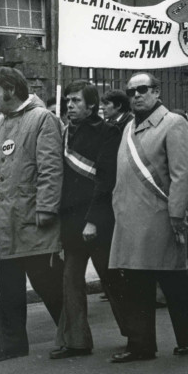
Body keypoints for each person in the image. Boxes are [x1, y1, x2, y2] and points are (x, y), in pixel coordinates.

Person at [108, 72, 188, 362]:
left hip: (160, 215)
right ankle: (141, 345)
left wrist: (177, 214)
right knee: (135, 282)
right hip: (129, 216)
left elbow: (182, 174)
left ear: (156, 91)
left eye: (142, 89)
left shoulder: (173, 123)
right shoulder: (129, 126)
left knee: (172, 279)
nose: (136, 95)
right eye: (131, 92)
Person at [0, 67, 64, 364]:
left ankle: (72, 336)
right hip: (3, 220)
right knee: (8, 285)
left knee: (48, 282)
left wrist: (46, 208)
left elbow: (51, 170)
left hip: (32, 219)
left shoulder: (43, 119)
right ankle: (12, 344)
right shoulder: (0, 125)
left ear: (10, 90)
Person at [49, 81, 125, 359]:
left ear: (92, 105)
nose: (70, 105)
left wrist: (93, 220)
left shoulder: (108, 131)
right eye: (68, 100)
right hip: (70, 220)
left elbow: (105, 180)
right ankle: (77, 341)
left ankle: (135, 333)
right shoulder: (64, 132)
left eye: (76, 101)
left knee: (111, 278)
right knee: (70, 281)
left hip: (98, 220)